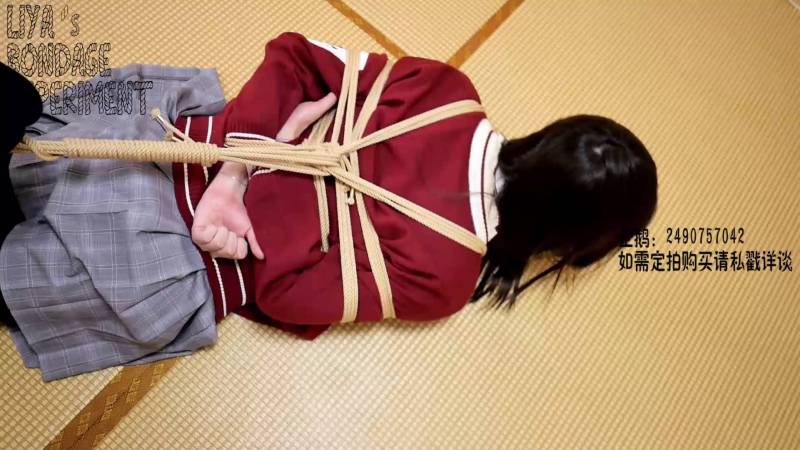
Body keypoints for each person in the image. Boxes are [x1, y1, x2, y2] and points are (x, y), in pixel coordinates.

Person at [2, 31, 657, 380]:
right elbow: (286, 298)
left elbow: (296, 57)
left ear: (548, 139)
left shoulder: (447, 90)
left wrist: (248, 155)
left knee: (23, 119)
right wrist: (242, 182)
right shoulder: (449, 274)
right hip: (158, 263)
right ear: (565, 239)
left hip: (155, 136)